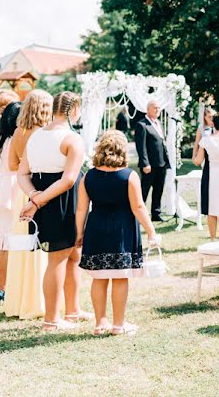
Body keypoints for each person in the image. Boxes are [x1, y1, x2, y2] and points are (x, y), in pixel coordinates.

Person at [75, 130, 158, 336]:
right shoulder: (129, 176)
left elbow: (81, 209)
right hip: (122, 231)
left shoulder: (88, 177)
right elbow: (138, 207)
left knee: (99, 278)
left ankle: (100, 323)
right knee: (120, 278)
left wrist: (78, 233)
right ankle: (118, 325)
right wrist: (151, 231)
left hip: (96, 229)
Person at [17, 91, 87, 331]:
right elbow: (68, 180)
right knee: (57, 259)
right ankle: (51, 320)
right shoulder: (72, 139)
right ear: (73, 110)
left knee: (74, 255)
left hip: (44, 198)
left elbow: (22, 174)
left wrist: (34, 196)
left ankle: (73, 310)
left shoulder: (35, 136)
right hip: (61, 201)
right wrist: (37, 201)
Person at [3, 89, 52, 319]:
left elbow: (13, 165)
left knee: (22, 246)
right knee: (38, 246)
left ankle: (19, 301)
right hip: (38, 191)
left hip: (22, 193)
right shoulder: (44, 133)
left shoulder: (17, 132)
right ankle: (37, 301)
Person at [0, 100, 21, 304]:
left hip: (2, 188)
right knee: (16, 242)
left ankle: (3, 288)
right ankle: (13, 288)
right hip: (15, 188)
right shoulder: (16, 141)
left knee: (5, 242)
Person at [134, 100, 169, 222]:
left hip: (161, 163)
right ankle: (139, 215)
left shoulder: (158, 123)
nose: (157, 110)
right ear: (148, 109)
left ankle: (156, 213)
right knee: (144, 190)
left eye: (159, 108)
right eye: (155, 108)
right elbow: (141, 146)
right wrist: (145, 163)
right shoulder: (142, 125)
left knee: (158, 190)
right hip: (150, 165)